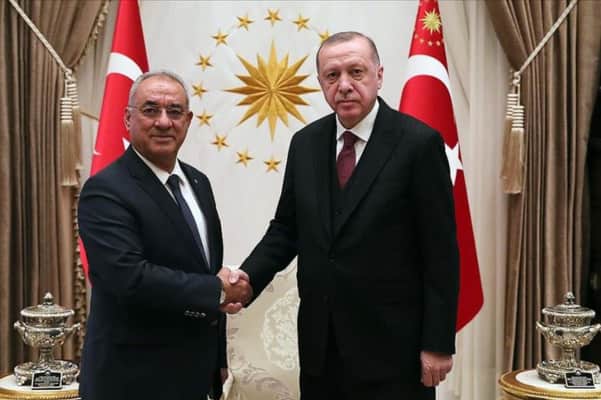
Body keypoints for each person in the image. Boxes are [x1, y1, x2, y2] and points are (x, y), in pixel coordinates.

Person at [239, 32, 459, 399]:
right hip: (321, 349)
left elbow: (441, 252)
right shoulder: (305, 143)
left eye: (356, 72)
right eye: (332, 75)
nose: (343, 85)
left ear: (379, 75)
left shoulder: (419, 144)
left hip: (395, 352)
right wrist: (247, 279)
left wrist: (437, 343)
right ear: (321, 82)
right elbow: (286, 229)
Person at [78, 70, 252, 400]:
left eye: (174, 111)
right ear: (127, 118)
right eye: (150, 110)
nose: (163, 121)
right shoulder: (105, 190)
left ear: (188, 120)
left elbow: (203, 269)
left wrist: (218, 360)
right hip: (132, 379)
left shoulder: (198, 183)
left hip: (195, 374)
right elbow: (128, 278)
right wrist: (218, 290)